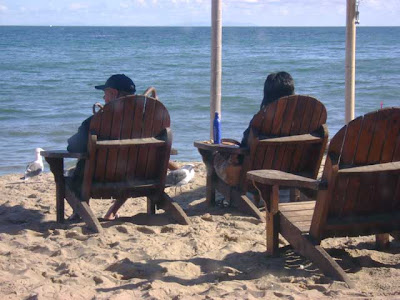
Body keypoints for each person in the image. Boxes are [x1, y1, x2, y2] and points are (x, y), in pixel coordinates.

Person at [67, 74, 136, 220]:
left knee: (68, 176)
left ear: (113, 93)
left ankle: (81, 212)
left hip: (96, 180)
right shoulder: (147, 120)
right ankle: (110, 211)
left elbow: (73, 147)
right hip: (135, 178)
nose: (104, 98)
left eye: (105, 94)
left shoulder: (96, 121)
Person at [214, 71, 295, 186]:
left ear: (267, 95)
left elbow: (245, 147)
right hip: (293, 173)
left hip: (258, 176)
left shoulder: (260, 121)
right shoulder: (305, 120)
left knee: (213, 154)